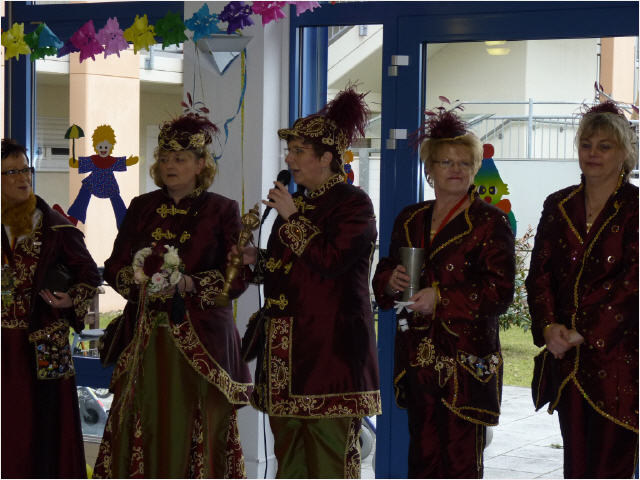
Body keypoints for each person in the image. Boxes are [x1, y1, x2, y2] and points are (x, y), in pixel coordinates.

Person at [92, 112, 253, 478]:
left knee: (197, 423)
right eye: (164, 158)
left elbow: (238, 275)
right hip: (145, 338)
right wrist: (138, 280)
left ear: (200, 164)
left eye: (179, 159)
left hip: (202, 341)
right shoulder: (142, 206)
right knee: (142, 418)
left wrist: (190, 284)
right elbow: (115, 265)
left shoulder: (222, 209)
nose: (169, 166)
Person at [234, 86, 380, 478]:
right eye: (289, 150)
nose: (289, 158)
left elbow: (332, 262)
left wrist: (292, 218)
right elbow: (292, 271)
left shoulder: (353, 203)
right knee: (291, 459)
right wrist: (256, 260)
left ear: (327, 157)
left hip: (331, 357)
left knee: (329, 461)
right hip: (285, 355)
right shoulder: (300, 204)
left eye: (299, 151)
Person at [372, 108, 516, 478]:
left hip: (466, 360)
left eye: (465, 163)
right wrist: (389, 281)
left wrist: (441, 297)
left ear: (475, 168)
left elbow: (500, 292)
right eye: (446, 162)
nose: (456, 169)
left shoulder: (490, 222)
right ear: (430, 169)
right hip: (416, 355)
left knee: (460, 462)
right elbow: (385, 269)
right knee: (422, 458)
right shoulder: (410, 218)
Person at [526, 101, 638, 478]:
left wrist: (584, 331)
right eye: (586, 144)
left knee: (611, 466)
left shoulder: (636, 207)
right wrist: (548, 327)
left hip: (620, 361)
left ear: (624, 153)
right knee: (575, 466)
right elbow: (539, 274)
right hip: (567, 361)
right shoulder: (558, 204)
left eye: (605, 146)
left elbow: (633, 283)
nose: (593, 153)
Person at [1, 138, 102, 478]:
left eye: (25, 169)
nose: (22, 178)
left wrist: (71, 298)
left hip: (44, 343)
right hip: (3, 347)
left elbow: (89, 274)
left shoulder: (55, 226)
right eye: (11, 172)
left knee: (45, 431)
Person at [67, 124, 139, 229]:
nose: (103, 149)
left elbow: (120, 162)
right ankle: (73, 218)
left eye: (106, 147)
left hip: (109, 185)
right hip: (94, 184)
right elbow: (82, 163)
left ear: (111, 147)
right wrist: (75, 163)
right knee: (84, 191)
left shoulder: (111, 161)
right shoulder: (93, 160)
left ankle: (124, 223)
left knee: (117, 201)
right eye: (100, 147)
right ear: (96, 147)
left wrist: (129, 161)